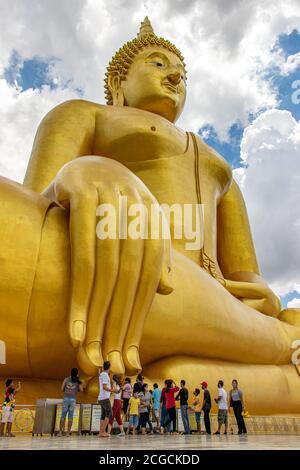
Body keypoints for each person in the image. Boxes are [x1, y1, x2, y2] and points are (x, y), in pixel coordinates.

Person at [58, 368, 83, 437]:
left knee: (63, 416)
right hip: (73, 400)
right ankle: (68, 433)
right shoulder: (78, 381)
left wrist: (67, 390)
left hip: (66, 399)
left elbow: (62, 389)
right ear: (77, 373)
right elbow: (81, 390)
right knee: (70, 416)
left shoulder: (66, 379)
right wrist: (76, 389)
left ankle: (60, 432)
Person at [98, 361, 116, 438]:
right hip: (104, 397)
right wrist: (112, 390)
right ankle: (102, 431)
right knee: (109, 413)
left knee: (103, 415)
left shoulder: (102, 374)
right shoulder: (105, 375)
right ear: (109, 367)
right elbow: (104, 387)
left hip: (101, 397)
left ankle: (101, 431)